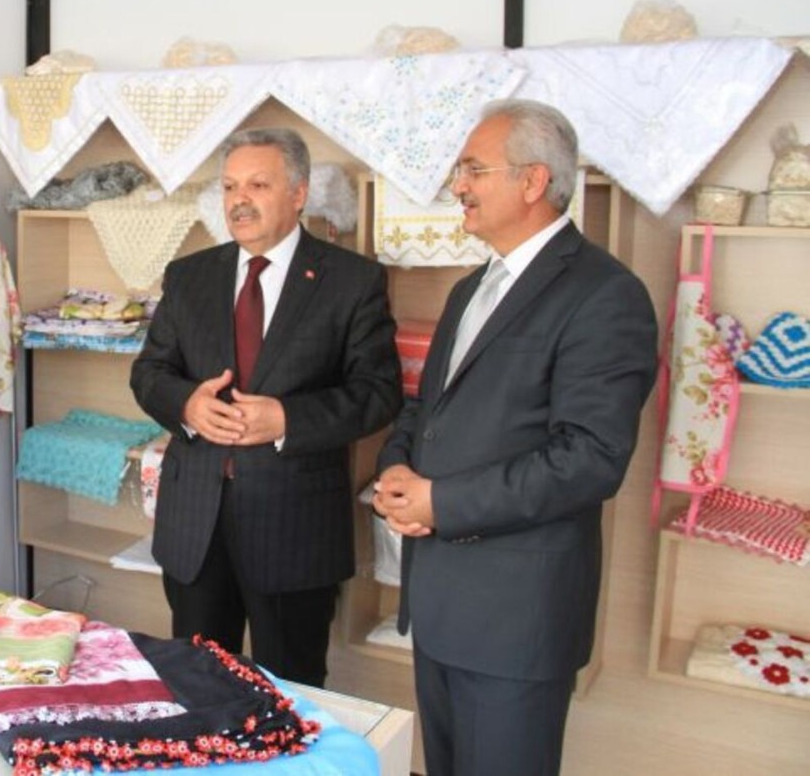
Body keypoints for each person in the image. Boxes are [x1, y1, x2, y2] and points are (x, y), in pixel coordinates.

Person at [372, 100, 658, 776]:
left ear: (533, 181)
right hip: (440, 602)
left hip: (515, 618)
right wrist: (395, 470)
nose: (458, 186)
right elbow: (426, 408)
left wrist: (441, 502)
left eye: (474, 170)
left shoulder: (604, 294)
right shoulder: (471, 288)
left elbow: (589, 458)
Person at [130, 128, 403, 688]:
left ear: (299, 193)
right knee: (198, 684)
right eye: (230, 186)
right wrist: (188, 406)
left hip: (294, 528)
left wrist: (287, 420)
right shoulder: (189, 275)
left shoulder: (351, 280)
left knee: (290, 692)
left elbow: (379, 393)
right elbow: (149, 373)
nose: (239, 200)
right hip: (195, 524)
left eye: (258, 185)